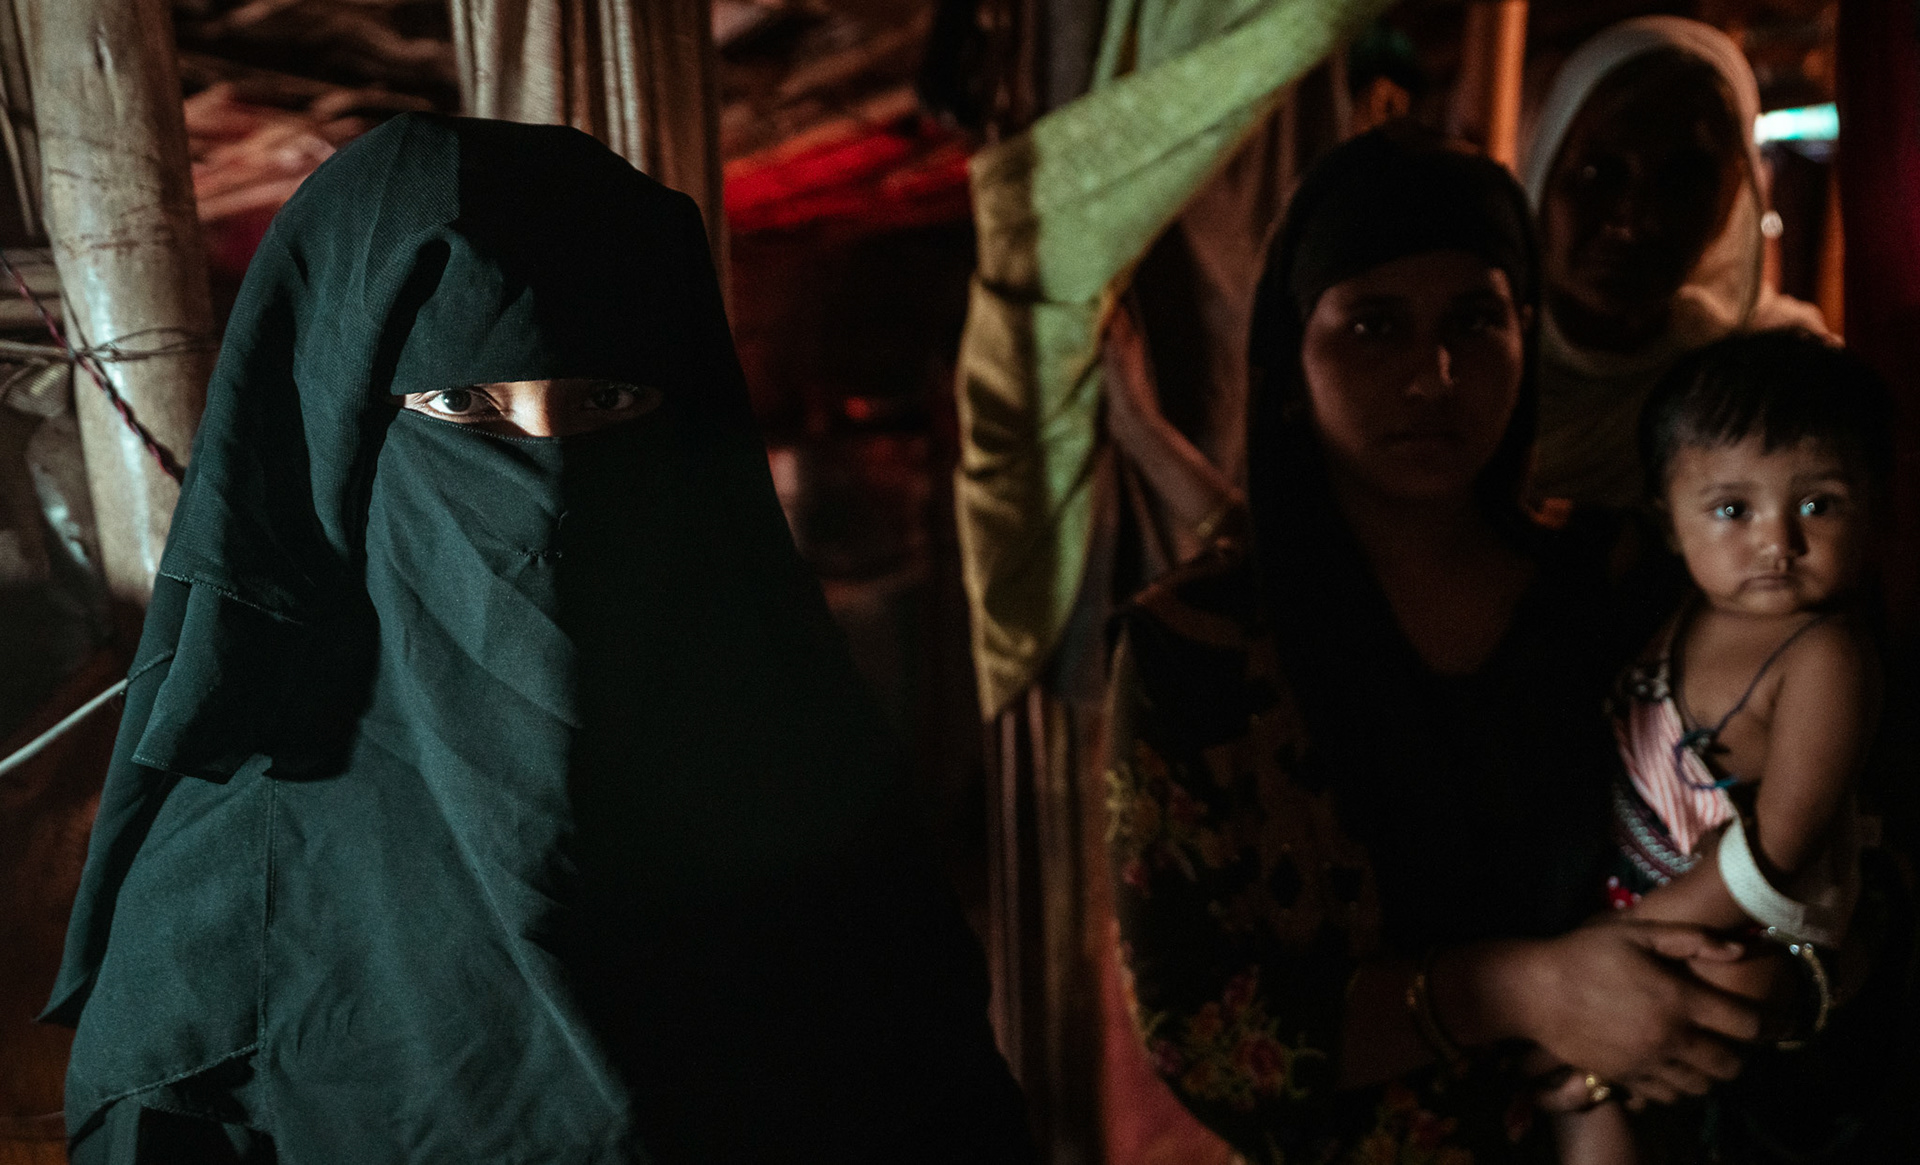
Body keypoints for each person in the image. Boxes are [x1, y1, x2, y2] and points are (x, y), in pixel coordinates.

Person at [41, 113, 1032, 1164]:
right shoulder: (231, 902)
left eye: (607, 399)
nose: (551, 479)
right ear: (344, 442)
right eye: (465, 403)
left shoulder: (817, 806)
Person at [1099, 127, 1826, 1164]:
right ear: (1292, 359)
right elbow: (1203, 1035)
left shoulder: (1629, 581)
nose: (1433, 374)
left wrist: (1745, 996)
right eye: (1374, 326)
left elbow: (1827, 847)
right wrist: (1523, 992)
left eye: (1475, 321)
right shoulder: (1195, 652)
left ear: (1526, 336)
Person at [1547, 330, 1891, 1164]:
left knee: (1631, 1039)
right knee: (1581, 1091)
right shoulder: (1681, 610)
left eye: (1819, 504)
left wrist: (1623, 938)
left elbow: (1776, 851)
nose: (1779, 542)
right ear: (1668, 520)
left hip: (1749, 923)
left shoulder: (1825, 656)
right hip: (1644, 897)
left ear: (1873, 508)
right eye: (1733, 510)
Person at [1525, 17, 1829, 511]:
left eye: (1681, 182)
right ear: (1545, 171)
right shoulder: (1468, 365)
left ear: (1731, 202)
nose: (1633, 221)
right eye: (1598, 173)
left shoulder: (1773, 378)